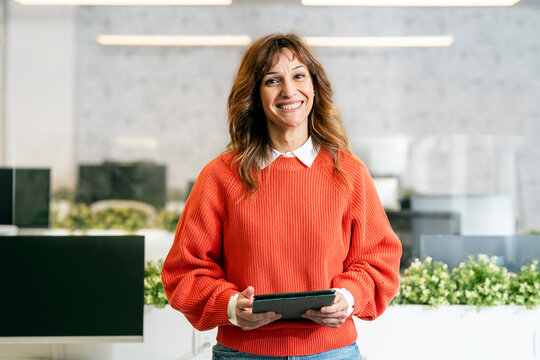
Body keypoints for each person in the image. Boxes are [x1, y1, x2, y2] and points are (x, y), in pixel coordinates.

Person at [162, 33, 402, 359]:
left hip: (331, 353)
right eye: (272, 80)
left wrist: (349, 297)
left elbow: (380, 259)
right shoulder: (220, 176)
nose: (289, 91)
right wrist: (232, 306)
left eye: (299, 75)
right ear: (255, 95)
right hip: (244, 354)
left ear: (314, 87)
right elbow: (184, 271)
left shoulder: (349, 172)